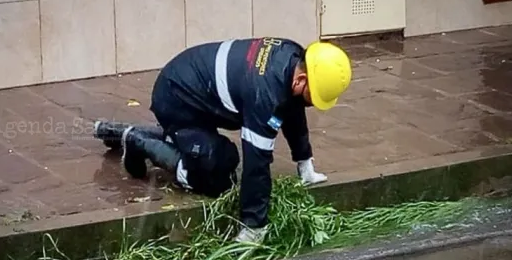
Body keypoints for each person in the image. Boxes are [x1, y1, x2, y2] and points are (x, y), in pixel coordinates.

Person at [93, 37, 352, 244]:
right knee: (215, 174)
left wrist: (305, 163)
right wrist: (254, 226)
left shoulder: (292, 57)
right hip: (176, 98)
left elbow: (292, 110)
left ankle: (119, 132)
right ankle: (138, 140)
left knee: (223, 156)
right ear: (301, 80)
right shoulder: (265, 93)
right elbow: (257, 163)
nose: (311, 104)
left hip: (195, 92)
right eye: (312, 97)